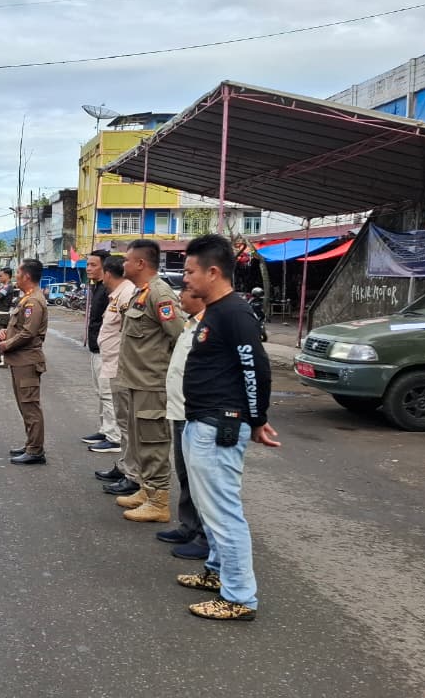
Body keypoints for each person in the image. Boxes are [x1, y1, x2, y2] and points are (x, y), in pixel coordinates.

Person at [176, 234, 279, 622]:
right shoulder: (215, 310)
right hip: (201, 421)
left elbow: (257, 369)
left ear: (213, 272)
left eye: (190, 271)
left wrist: (257, 419)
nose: (185, 279)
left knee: (223, 511)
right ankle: (217, 572)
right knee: (209, 506)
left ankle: (239, 597)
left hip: (219, 426)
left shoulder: (234, 313)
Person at [111, 239, 184, 523]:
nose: (123, 264)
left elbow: (180, 335)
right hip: (135, 381)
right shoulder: (141, 292)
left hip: (152, 384)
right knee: (140, 442)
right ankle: (147, 489)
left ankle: (159, 501)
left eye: (127, 260)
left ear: (141, 263)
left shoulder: (160, 293)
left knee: (154, 442)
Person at [158, 288, 210, 561]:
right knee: (184, 473)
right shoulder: (190, 324)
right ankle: (188, 525)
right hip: (179, 409)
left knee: (200, 479)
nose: (179, 298)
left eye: (187, 292)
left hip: (195, 412)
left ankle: (205, 537)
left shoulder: (210, 326)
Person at [93, 257, 140, 496]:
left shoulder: (126, 295)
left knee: (127, 424)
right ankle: (124, 467)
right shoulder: (117, 295)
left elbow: (128, 334)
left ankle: (132, 474)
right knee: (123, 424)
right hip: (112, 365)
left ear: (108, 273)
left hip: (121, 367)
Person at [0, 259, 49, 465]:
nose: (16, 277)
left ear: (26, 276)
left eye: (18, 273)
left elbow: (29, 332)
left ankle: (36, 450)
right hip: (20, 361)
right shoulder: (26, 299)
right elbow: (20, 327)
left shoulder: (34, 301)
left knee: (30, 406)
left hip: (27, 360)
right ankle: (31, 444)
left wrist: (7, 344)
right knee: (24, 405)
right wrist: (6, 332)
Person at [81, 250, 119, 451]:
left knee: (108, 393)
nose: (88, 268)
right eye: (87, 265)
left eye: (93, 265)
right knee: (100, 392)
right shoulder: (96, 288)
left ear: (105, 268)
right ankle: (105, 430)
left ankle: (114, 437)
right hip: (96, 348)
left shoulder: (108, 290)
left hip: (108, 350)